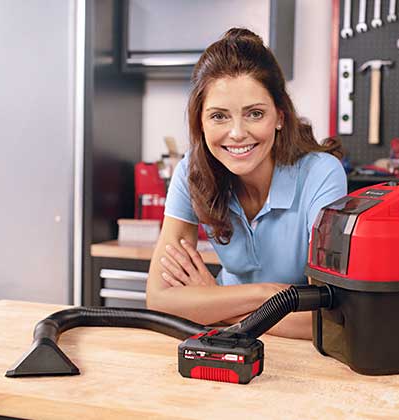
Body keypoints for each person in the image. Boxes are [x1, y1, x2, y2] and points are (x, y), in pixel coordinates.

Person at [145, 28, 347, 339]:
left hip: (298, 355)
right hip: (230, 345)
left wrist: (211, 302)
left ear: (280, 116)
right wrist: (267, 295)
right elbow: (159, 300)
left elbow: (334, 318)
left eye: (254, 114)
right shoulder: (191, 172)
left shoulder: (322, 176)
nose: (237, 133)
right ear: (200, 121)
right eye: (219, 116)